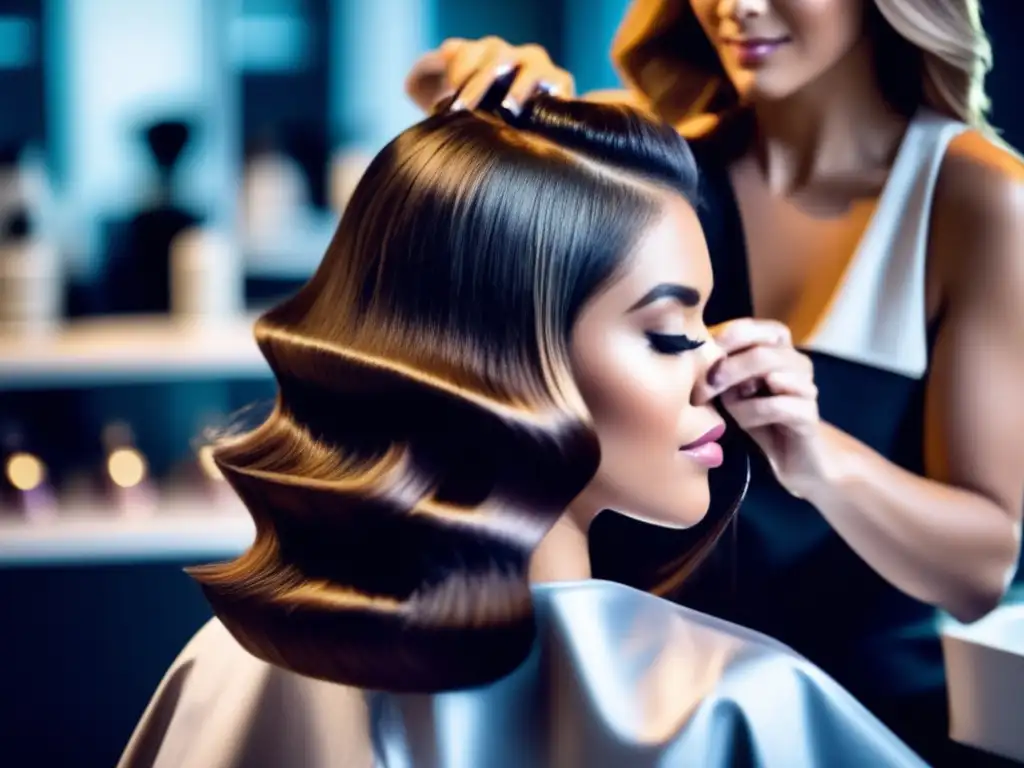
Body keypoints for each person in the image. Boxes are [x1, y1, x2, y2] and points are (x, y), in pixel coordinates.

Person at [117, 95, 925, 767]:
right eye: (674, 330)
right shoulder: (739, 706)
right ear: (500, 360)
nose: (719, 367)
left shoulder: (224, 668)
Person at [403, 1, 1024, 765]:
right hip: (630, 698)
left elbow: (980, 571)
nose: (737, 8)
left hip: (855, 721)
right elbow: (440, 107)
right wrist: (471, 78)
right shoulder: (650, 153)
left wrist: (817, 460)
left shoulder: (980, 199)